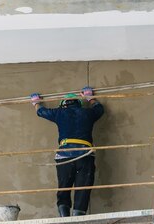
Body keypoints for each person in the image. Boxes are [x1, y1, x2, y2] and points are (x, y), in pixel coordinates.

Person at [30, 87, 104, 217]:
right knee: (83, 187)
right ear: (78, 104)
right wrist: (89, 97)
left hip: (65, 156)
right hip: (84, 155)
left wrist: (35, 102)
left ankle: (64, 216)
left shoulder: (59, 113)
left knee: (64, 186)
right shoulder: (87, 113)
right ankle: (78, 215)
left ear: (63, 105)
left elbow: (41, 112)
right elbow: (99, 109)